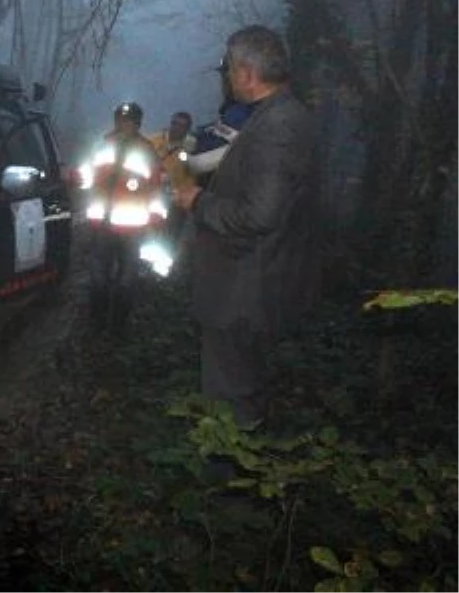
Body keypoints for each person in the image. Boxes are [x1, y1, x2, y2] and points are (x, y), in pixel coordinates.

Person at [172, 25, 318, 430]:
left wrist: (197, 201)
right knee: (237, 392)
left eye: (230, 68)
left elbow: (260, 215)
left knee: (230, 405)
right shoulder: (280, 115)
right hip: (248, 286)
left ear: (248, 74)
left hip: (242, 292)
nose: (228, 77)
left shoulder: (277, 127)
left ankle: (229, 486)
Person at [77, 102, 167, 329]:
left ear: (138, 124)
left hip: (132, 228)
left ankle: (119, 326)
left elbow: (156, 188)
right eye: (120, 119)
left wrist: (156, 216)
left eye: (129, 120)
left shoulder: (147, 151)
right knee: (98, 278)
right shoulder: (102, 145)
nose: (123, 124)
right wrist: (74, 177)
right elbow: (88, 174)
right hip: (102, 224)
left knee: (126, 281)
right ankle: (96, 323)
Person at [147, 111, 196, 243]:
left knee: (170, 238)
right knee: (148, 233)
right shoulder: (153, 141)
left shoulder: (192, 149)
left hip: (175, 201)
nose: (177, 128)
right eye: (175, 124)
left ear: (187, 129)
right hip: (151, 195)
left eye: (182, 126)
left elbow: (193, 175)